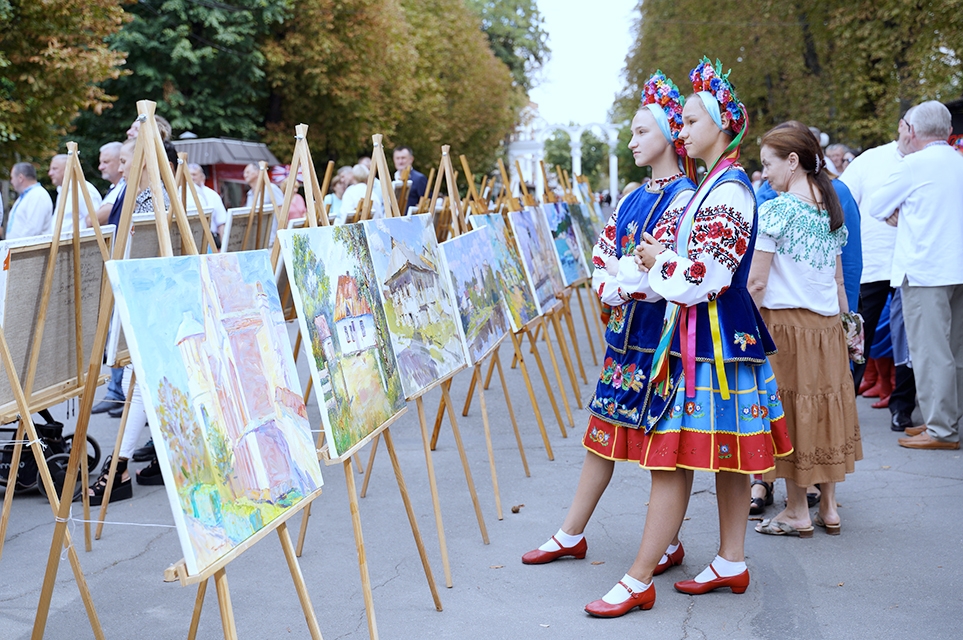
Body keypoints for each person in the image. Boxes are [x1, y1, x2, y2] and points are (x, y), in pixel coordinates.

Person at [579, 58, 792, 618]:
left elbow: (712, 277)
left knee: (674, 460)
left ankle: (639, 576)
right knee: (724, 457)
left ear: (720, 126)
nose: (684, 130)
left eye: (693, 121)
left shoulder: (729, 191)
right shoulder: (718, 186)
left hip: (713, 341)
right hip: (708, 340)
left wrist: (656, 263)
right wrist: (658, 264)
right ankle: (730, 559)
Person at [521, 70, 696, 589]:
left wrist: (626, 279)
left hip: (663, 344)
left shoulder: (688, 199)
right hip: (624, 337)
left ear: (668, 134)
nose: (631, 140)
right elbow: (605, 253)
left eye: (642, 132)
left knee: (664, 450)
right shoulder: (631, 195)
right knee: (602, 436)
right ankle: (572, 531)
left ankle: (662, 542)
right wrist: (613, 280)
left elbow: (660, 273)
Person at [748, 122, 861, 537]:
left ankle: (797, 511)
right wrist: (849, 327)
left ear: (792, 161)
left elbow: (757, 284)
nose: (766, 174)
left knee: (792, 416)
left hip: (787, 327)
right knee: (826, 411)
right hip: (828, 327)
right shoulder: (830, 208)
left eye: (768, 164)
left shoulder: (776, 210)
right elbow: (837, 281)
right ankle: (828, 508)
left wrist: (741, 328)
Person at [866, 100, 963, 450]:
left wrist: (897, 209)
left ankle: (941, 429)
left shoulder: (913, 165)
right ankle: (947, 421)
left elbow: (877, 205)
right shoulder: (958, 161)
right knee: (954, 352)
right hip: (956, 268)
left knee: (929, 352)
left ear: (913, 131)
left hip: (925, 269)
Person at [839, 112, 918, 432]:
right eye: (910, 127)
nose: (913, 135)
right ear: (901, 126)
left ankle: (903, 407)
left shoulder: (926, 163)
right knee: (856, 337)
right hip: (871, 264)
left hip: (911, 266)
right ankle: (842, 402)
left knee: (909, 339)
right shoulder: (870, 160)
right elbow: (842, 203)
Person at [48, 154, 102, 234]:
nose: (50, 173)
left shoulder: (82, 190)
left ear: (68, 169)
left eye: (54, 169)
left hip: (80, 244)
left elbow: (95, 222)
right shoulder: (62, 190)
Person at [5, 162, 53, 239]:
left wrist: (18, 247)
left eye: (12, 178)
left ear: (20, 178)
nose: (11, 181)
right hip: (18, 249)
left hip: (26, 249)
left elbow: (33, 229)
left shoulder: (38, 195)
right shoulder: (27, 196)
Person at [187, 163, 228, 238]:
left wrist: (224, 248)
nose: (191, 178)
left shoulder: (213, 195)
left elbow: (221, 222)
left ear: (202, 177)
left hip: (211, 237)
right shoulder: (180, 193)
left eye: (194, 175)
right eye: (189, 175)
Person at [92, 142, 125, 227]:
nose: (100, 167)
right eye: (100, 162)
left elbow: (93, 221)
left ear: (121, 161)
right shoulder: (114, 187)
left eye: (105, 162)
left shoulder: (125, 187)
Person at [393, 145, 428, 212]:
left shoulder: (419, 178)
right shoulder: (393, 178)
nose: (400, 161)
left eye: (403, 158)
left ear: (411, 159)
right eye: (397, 158)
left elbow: (426, 203)